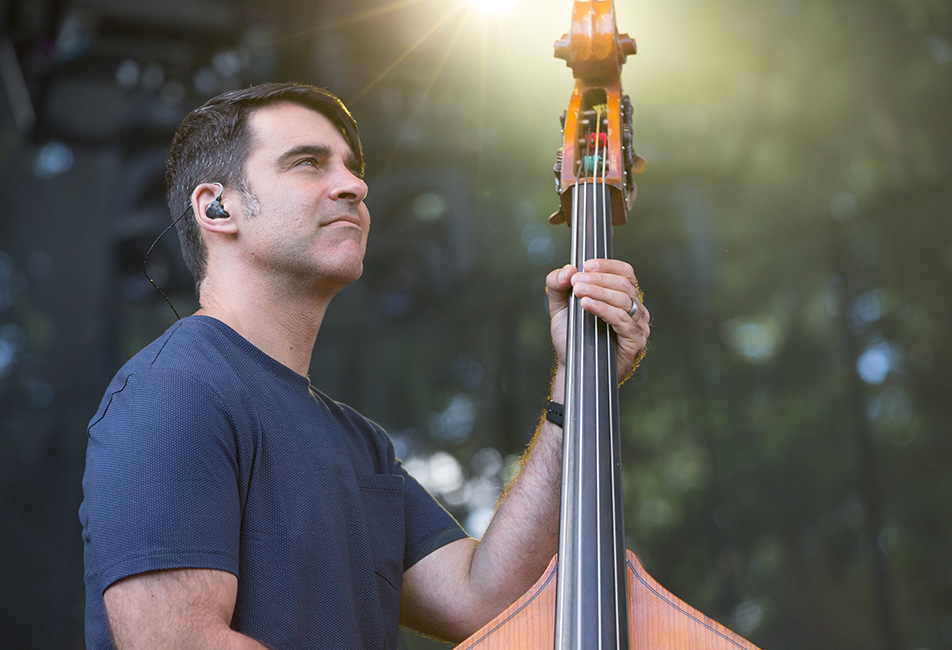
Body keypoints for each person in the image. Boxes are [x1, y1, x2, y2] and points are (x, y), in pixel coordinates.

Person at [79, 82, 650, 650]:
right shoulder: (174, 388)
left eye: (352, 170)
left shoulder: (359, 444)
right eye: (308, 164)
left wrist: (574, 385)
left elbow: (486, 600)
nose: (355, 185)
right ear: (218, 206)